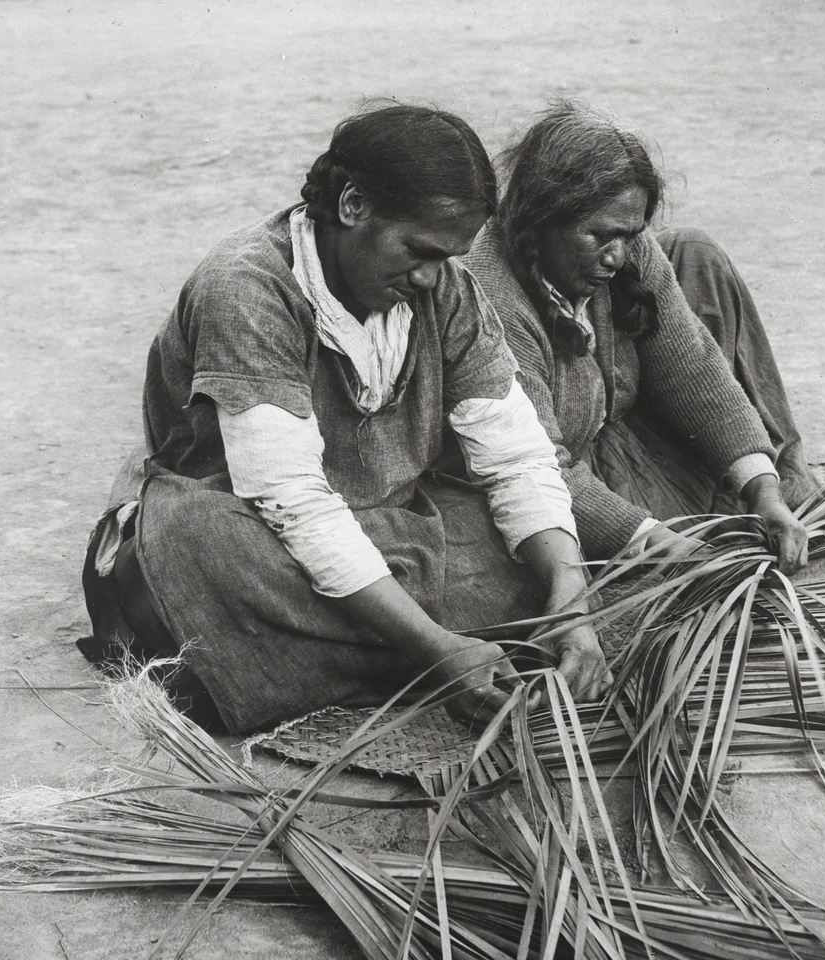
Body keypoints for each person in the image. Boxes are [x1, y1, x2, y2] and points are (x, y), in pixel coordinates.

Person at [78, 105, 608, 735]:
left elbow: (516, 457)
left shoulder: (447, 289)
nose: (431, 276)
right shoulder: (248, 288)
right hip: (248, 525)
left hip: (387, 526)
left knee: (536, 556)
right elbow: (291, 501)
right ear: (353, 205)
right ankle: (423, 649)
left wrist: (570, 604)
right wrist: (433, 645)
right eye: (419, 250)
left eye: (449, 257)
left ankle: (328, 656)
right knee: (201, 544)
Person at [464, 101, 819, 571]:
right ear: (542, 216)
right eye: (600, 236)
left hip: (621, 435)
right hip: (556, 480)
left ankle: (775, 483)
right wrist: (655, 542)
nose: (616, 257)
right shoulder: (491, 297)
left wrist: (766, 493)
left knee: (694, 249)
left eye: (630, 236)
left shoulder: (625, 244)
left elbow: (694, 372)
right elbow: (537, 469)